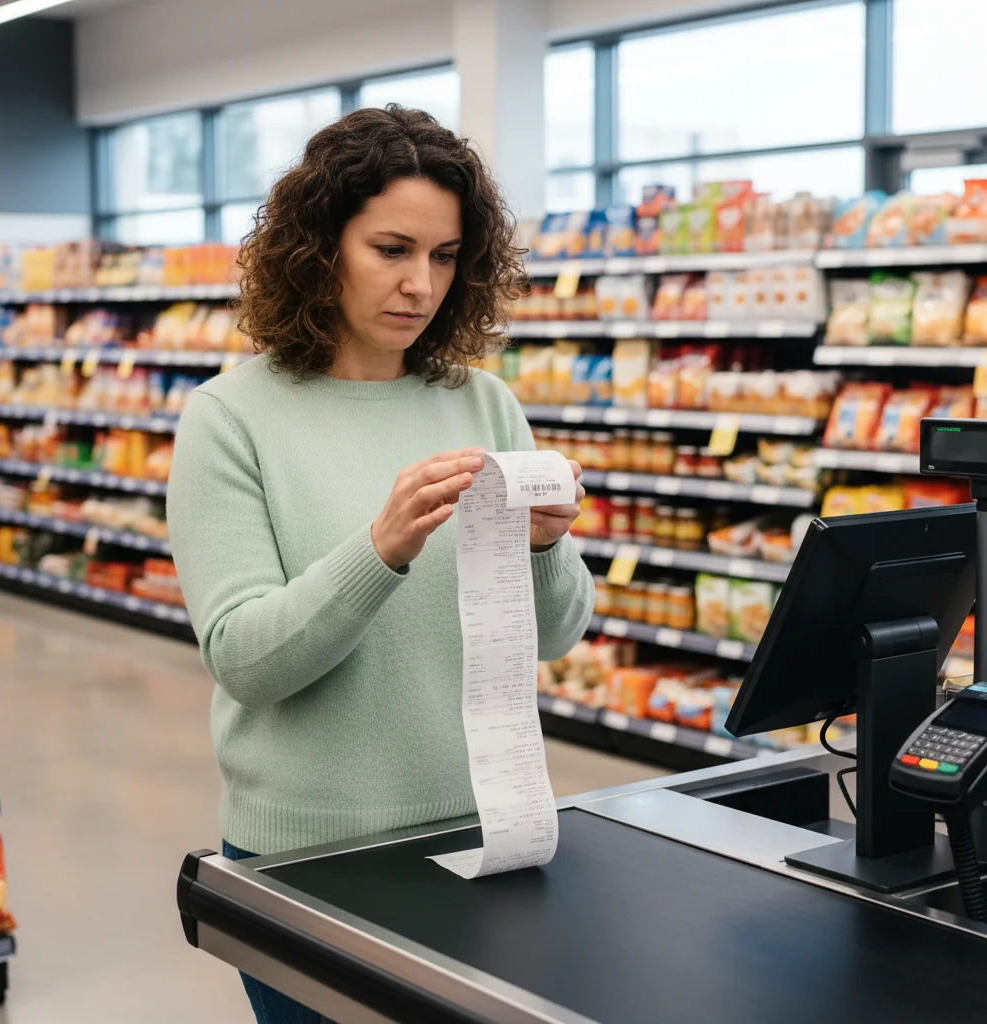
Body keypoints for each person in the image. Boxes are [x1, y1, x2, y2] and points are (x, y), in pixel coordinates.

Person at [167, 104, 594, 1024]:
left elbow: (558, 636)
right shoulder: (229, 420)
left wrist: (548, 546)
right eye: (392, 248)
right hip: (310, 862)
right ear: (320, 246)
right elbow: (246, 657)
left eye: (444, 256)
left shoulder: (483, 403)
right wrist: (380, 549)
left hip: (484, 834)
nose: (420, 284)